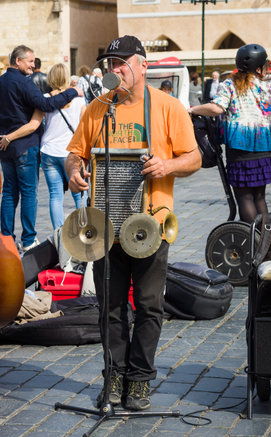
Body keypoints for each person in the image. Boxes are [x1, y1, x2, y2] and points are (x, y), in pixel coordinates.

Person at [65, 35, 201, 411]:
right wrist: (75, 172)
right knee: (109, 306)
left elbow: (194, 156)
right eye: (111, 63)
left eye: (123, 62)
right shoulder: (97, 108)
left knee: (148, 304)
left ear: (143, 65)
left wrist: (168, 165)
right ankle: (114, 376)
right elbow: (75, 153)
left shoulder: (168, 106)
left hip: (149, 223)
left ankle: (139, 380)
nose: (115, 69)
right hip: (105, 224)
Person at [0, 45, 82, 252]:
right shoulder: (24, 83)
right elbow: (46, 105)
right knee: (29, 193)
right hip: (26, 145)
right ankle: (29, 239)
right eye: (30, 61)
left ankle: (7, 238)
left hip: (6, 147)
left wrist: (5, 135)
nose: (33, 65)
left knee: (9, 193)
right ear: (18, 61)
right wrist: (72, 92)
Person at [189, 44, 271, 224]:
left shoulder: (230, 86)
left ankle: (253, 241)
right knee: (259, 198)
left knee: (245, 198)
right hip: (266, 150)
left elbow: (216, 108)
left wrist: (193, 109)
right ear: (258, 68)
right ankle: (269, 243)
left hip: (241, 150)